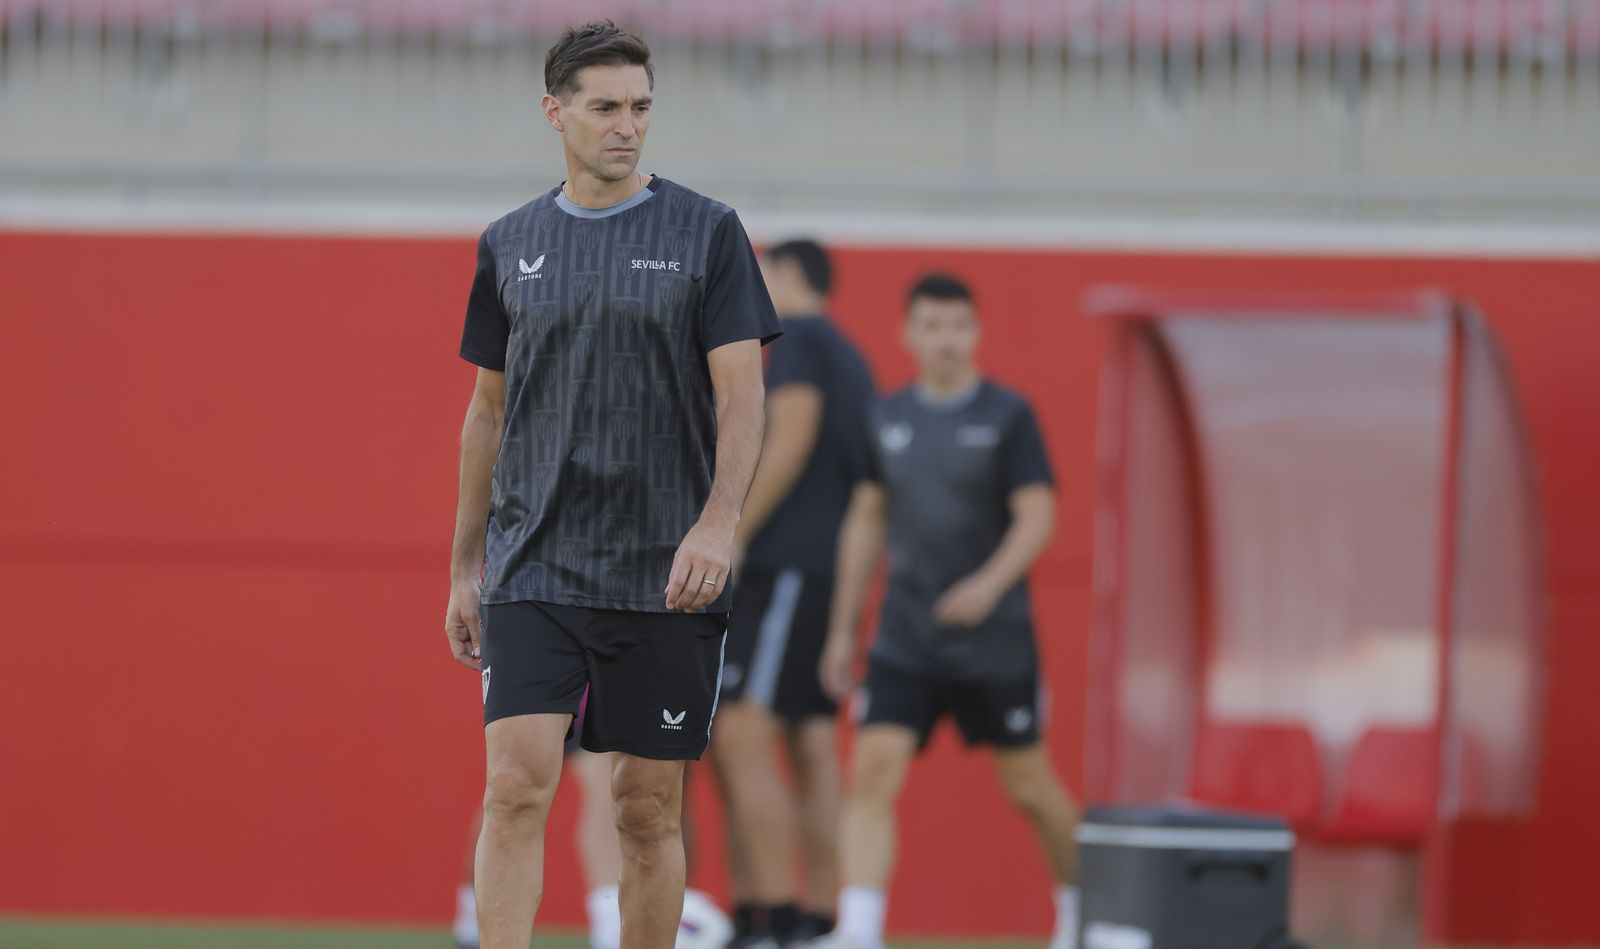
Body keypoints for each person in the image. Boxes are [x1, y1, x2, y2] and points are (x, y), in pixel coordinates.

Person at [443, 19, 780, 949]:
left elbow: (744, 395)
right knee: (514, 784)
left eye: (640, 107)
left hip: (665, 569)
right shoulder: (509, 243)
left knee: (645, 807)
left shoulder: (707, 232)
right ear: (555, 113)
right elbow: (486, 414)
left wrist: (717, 523)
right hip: (534, 561)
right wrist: (465, 564)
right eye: (605, 107)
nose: (626, 125)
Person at [818, 274, 1081, 949]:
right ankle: (859, 928)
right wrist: (843, 630)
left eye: (958, 325)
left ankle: (1084, 911)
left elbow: (1039, 514)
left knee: (1028, 784)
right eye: (932, 326)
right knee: (873, 768)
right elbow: (867, 519)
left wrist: (988, 585)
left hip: (994, 641)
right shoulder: (885, 417)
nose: (946, 339)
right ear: (908, 334)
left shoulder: (1007, 415)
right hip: (905, 636)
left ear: (977, 332)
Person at [711, 240, 875, 947]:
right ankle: (816, 915)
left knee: (740, 731)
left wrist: (734, 527)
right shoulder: (852, 354)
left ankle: (769, 914)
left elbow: (791, 437)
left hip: (786, 569)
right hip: (822, 572)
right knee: (809, 742)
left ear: (786, 277)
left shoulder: (802, 338)